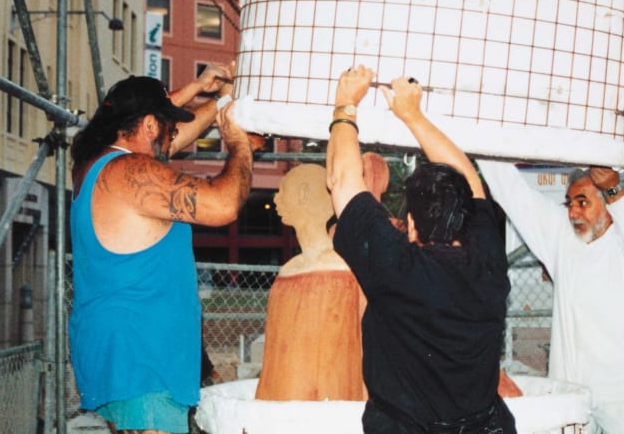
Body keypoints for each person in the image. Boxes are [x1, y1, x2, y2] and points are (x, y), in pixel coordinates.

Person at [326, 67, 516, 434]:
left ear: (411, 223)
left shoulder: (396, 264)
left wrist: (346, 105)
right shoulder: (488, 262)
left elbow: (341, 180)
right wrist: (412, 115)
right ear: (467, 220)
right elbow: (472, 180)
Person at [69, 66, 253, 434]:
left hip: (127, 354)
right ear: (150, 126)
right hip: (143, 359)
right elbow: (224, 204)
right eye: (167, 127)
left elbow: (168, 134)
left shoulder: (97, 166)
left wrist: (217, 99)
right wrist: (238, 144)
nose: (173, 138)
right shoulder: (130, 171)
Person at [478, 161, 624, 433]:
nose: (573, 213)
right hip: (572, 390)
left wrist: (612, 188)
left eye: (583, 202)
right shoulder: (561, 237)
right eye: (569, 203)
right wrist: (482, 144)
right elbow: (513, 192)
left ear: (608, 206)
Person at [255, 163, 366, 401]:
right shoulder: (289, 270)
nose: (276, 199)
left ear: (304, 194)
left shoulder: (340, 269)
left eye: (283, 191)